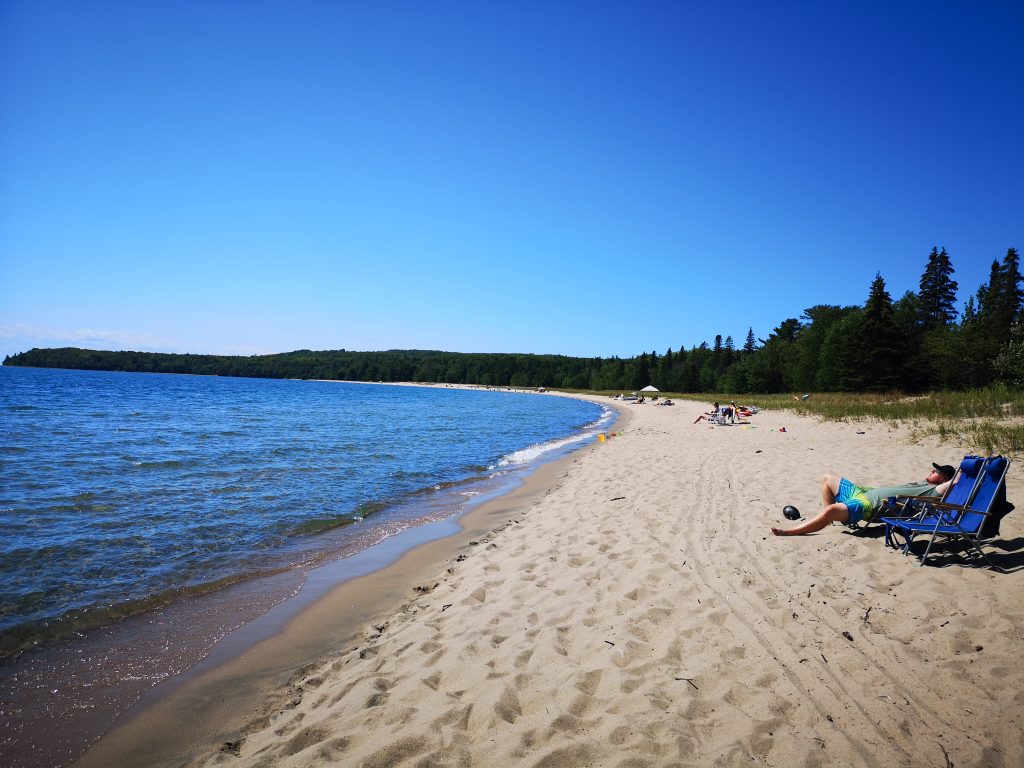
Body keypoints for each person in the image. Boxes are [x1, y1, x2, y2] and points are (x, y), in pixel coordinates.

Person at [771, 462, 957, 536]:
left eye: (937, 471)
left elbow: (956, 482)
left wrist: (968, 469)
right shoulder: (921, 482)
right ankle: (827, 521)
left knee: (830, 511)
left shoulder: (931, 492)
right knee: (828, 478)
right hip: (861, 494)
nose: (932, 471)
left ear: (943, 479)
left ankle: (790, 532)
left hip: (867, 505)